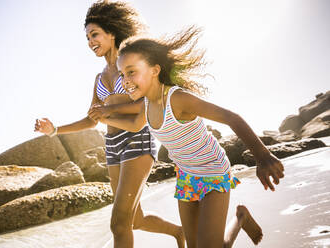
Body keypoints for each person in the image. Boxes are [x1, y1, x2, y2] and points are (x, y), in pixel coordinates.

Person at [88, 26, 285, 247]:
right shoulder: (146, 103)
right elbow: (134, 125)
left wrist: (262, 155)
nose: (125, 80)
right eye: (123, 74)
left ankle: (240, 218)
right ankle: (241, 218)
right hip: (187, 177)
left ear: (154, 70)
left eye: (132, 71)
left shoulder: (177, 99)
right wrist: (106, 119)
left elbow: (232, 118)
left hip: (213, 172)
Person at [34, 1, 184, 248]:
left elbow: (146, 102)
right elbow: (92, 119)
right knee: (135, 220)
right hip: (112, 145)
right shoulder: (98, 79)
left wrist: (108, 110)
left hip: (138, 139)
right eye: (87, 38)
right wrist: (55, 130)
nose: (91, 42)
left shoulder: (132, 66)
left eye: (95, 34)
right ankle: (178, 232)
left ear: (112, 33)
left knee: (118, 224)